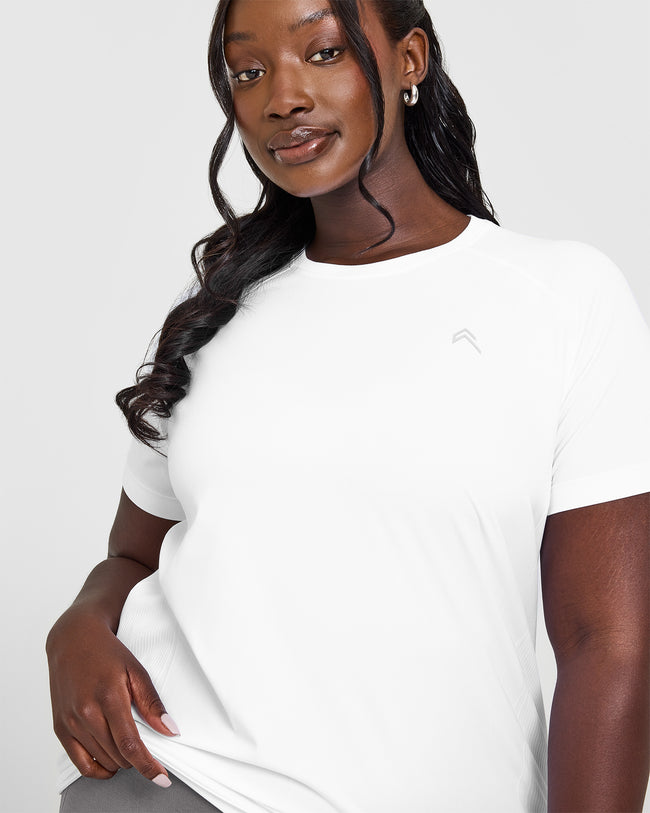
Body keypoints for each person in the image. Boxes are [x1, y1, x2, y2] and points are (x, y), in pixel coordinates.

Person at [46, 0, 650, 811]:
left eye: (323, 53)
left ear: (410, 59)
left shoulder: (561, 299)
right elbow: (131, 556)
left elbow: (607, 644)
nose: (282, 97)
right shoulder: (217, 305)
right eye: (248, 71)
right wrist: (78, 626)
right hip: (175, 786)